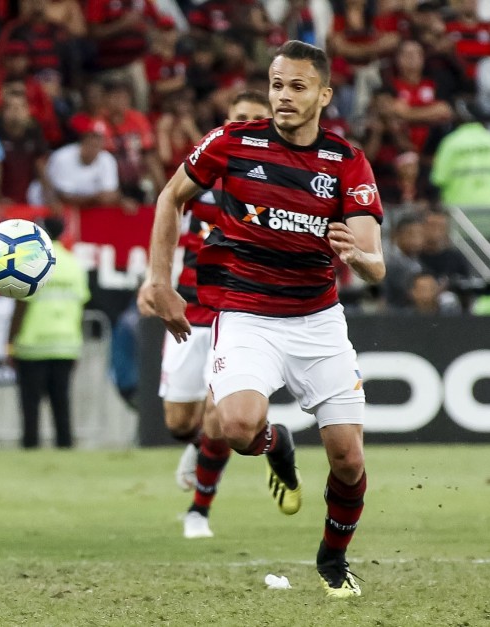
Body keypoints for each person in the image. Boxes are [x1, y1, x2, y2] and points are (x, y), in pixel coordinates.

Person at [144, 41, 385, 598]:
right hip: (248, 314)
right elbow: (169, 198)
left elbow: (375, 263)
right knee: (235, 425)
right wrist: (158, 281)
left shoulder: (346, 162)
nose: (283, 96)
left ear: (324, 94)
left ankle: (333, 557)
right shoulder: (231, 143)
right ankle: (276, 444)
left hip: (319, 320)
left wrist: (359, 257)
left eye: (298, 86)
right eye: (277, 84)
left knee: (348, 458)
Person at [138, 90, 272, 540]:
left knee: (220, 411)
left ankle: (199, 512)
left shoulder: (281, 182)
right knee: (180, 422)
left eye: (258, 117)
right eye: (241, 117)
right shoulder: (204, 171)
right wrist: (153, 279)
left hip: (242, 312)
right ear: (227, 120)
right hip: (192, 309)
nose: (249, 123)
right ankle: (196, 445)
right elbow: (167, 216)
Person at [7, 217, 90, 448]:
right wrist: (77, 343)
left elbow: (21, 306)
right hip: (66, 343)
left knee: (30, 404)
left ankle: (31, 446)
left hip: (33, 344)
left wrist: (9, 343)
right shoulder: (74, 264)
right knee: (61, 402)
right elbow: (80, 305)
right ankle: (65, 446)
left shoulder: (32, 262)